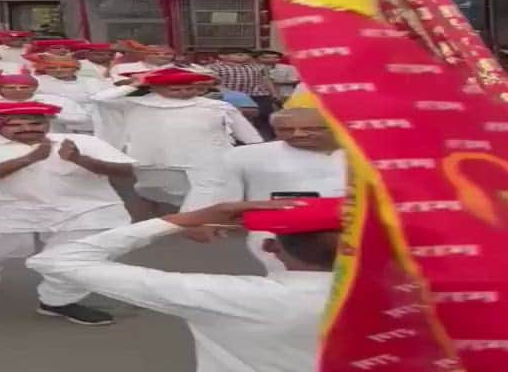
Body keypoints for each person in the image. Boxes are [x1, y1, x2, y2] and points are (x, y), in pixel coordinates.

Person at [27, 199, 339, 372]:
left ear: (270, 247)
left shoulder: (228, 296)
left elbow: (58, 261)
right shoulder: (388, 293)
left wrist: (183, 219)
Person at [0, 101, 135, 326]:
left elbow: (125, 171)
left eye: (36, 123)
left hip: (80, 208)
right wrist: (28, 159)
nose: (27, 128)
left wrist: (80, 159)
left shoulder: (82, 142)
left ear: (48, 122)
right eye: (16, 124)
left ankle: (57, 301)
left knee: (75, 256)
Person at [181, 107, 344, 272]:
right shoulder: (244, 155)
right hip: (281, 237)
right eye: (285, 130)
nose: (297, 134)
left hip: (355, 230)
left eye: (311, 129)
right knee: (298, 282)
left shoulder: (364, 153)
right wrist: (199, 220)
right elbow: (213, 186)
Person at [91, 68, 263, 213]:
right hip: (157, 159)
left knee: (210, 190)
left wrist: (258, 148)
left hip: (208, 156)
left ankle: (197, 222)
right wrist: (136, 84)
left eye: (189, 89)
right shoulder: (135, 104)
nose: (183, 93)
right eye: (175, 89)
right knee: (156, 189)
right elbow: (101, 99)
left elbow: (246, 132)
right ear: (154, 88)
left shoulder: (216, 106)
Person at [0, 75, 92, 134]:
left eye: (23, 87)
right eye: (11, 87)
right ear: (0, 89)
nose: (18, 90)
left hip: (50, 140)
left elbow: (82, 118)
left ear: (34, 88)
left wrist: (52, 116)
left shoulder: (55, 100)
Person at [208, 49, 278, 140]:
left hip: (257, 95)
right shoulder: (214, 67)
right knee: (233, 120)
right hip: (229, 97)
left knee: (263, 118)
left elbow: (266, 80)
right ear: (222, 56)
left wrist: (274, 93)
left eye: (246, 54)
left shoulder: (257, 67)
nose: (243, 56)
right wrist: (224, 91)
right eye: (239, 54)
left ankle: (265, 139)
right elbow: (212, 82)